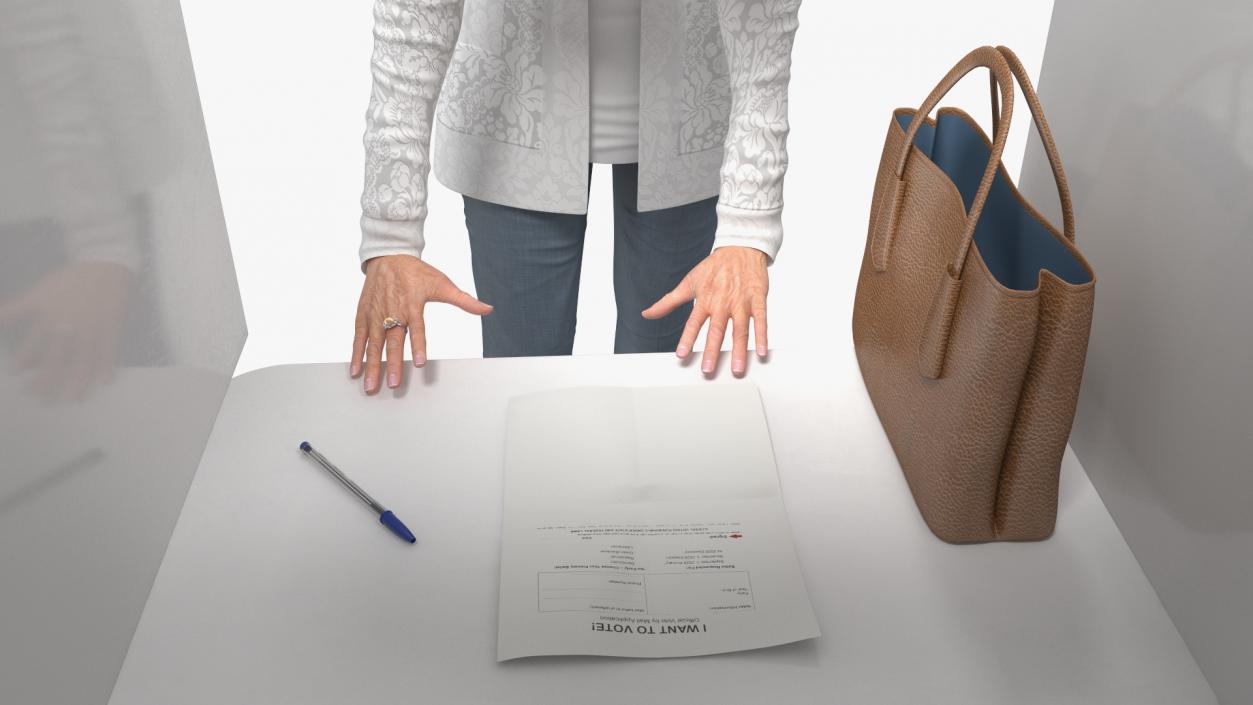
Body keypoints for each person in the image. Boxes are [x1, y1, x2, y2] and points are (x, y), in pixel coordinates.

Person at [351, 0, 802, 393]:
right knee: (524, 384)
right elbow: (411, 20)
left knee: (661, 381)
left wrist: (749, 224)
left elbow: (761, 24)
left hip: (691, 123)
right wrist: (391, 231)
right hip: (511, 126)